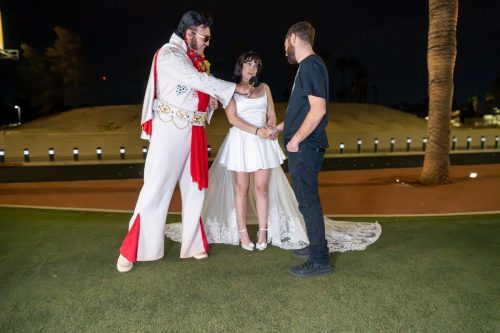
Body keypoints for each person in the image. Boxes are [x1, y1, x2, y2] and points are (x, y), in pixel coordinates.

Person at [164, 51, 381, 256]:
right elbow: (233, 120)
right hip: (241, 142)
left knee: (262, 189)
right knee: (241, 189)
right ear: (240, 66)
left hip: (262, 144)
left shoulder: (264, 88)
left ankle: (263, 231)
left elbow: (270, 114)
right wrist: (258, 131)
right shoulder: (230, 89)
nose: (253, 67)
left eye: (256, 64)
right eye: (249, 63)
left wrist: (270, 127)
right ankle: (242, 233)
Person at [116, 10, 254, 273]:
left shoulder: (195, 60)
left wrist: (211, 103)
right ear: (189, 33)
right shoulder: (169, 54)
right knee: (156, 188)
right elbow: (195, 81)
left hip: (194, 130)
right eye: (205, 37)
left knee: (195, 189)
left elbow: (196, 91)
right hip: (170, 131)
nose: (207, 43)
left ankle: (192, 244)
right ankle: (132, 251)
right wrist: (233, 88)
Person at [273, 21, 333, 277]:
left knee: (308, 201)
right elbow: (305, 111)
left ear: (295, 38)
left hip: (306, 147)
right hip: (305, 145)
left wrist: (295, 139)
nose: (284, 48)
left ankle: (319, 260)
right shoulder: (310, 67)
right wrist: (280, 128)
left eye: (285, 42)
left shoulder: (309, 65)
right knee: (308, 201)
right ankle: (316, 247)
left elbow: (318, 110)